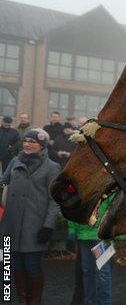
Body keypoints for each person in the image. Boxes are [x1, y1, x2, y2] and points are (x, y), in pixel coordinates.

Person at [0, 128, 61, 304]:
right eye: (25, 140)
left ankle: (34, 301)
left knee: (32, 266)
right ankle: (22, 299)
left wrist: (48, 226)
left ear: (41, 146)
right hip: (10, 224)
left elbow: (54, 200)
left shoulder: (52, 167)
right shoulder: (14, 161)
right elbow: (3, 182)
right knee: (13, 265)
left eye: (32, 141)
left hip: (34, 227)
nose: (26, 144)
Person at [67, 196, 113, 305]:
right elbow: (72, 208)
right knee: (89, 272)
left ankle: (105, 303)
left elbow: (113, 208)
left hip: (100, 237)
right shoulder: (80, 187)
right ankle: (90, 302)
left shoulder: (106, 185)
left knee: (102, 273)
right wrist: (72, 230)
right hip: (83, 236)